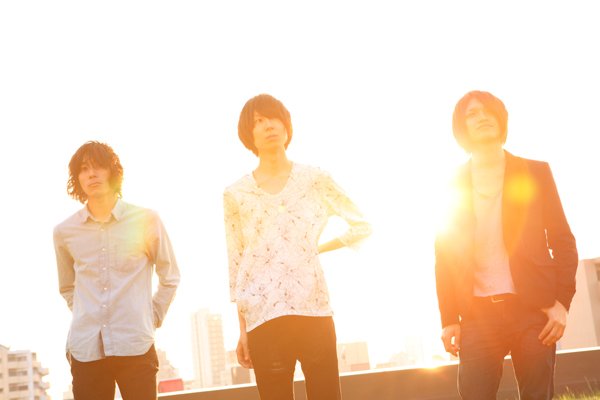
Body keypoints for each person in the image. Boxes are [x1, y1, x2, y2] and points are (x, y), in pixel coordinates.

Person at [224, 94, 371, 400]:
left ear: (286, 125)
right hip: (263, 318)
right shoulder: (236, 193)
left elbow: (361, 225)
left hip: (313, 310)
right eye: (258, 122)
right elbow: (237, 266)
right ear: (248, 135)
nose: (268, 126)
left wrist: (317, 248)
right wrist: (242, 329)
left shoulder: (314, 178)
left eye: (273, 118)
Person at [435, 91, 578, 400]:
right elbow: (444, 257)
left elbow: (563, 241)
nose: (482, 117)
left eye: (488, 111)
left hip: (533, 310)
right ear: (461, 128)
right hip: (477, 316)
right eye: (472, 114)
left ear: (501, 119)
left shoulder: (536, 172)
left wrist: (562, 304)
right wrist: (448, 319)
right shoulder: (451, 183)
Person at [53, 141, 180, 400]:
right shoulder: (64, 232)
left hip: (135, 345)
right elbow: (67, 287)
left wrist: (152, 316)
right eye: (84, 169)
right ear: (77, 178)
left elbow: (170, 276)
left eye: (98, 166)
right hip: (86, 350)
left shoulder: (146, 220)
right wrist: (85, 312)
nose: (91, 174)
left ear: (113, 172)